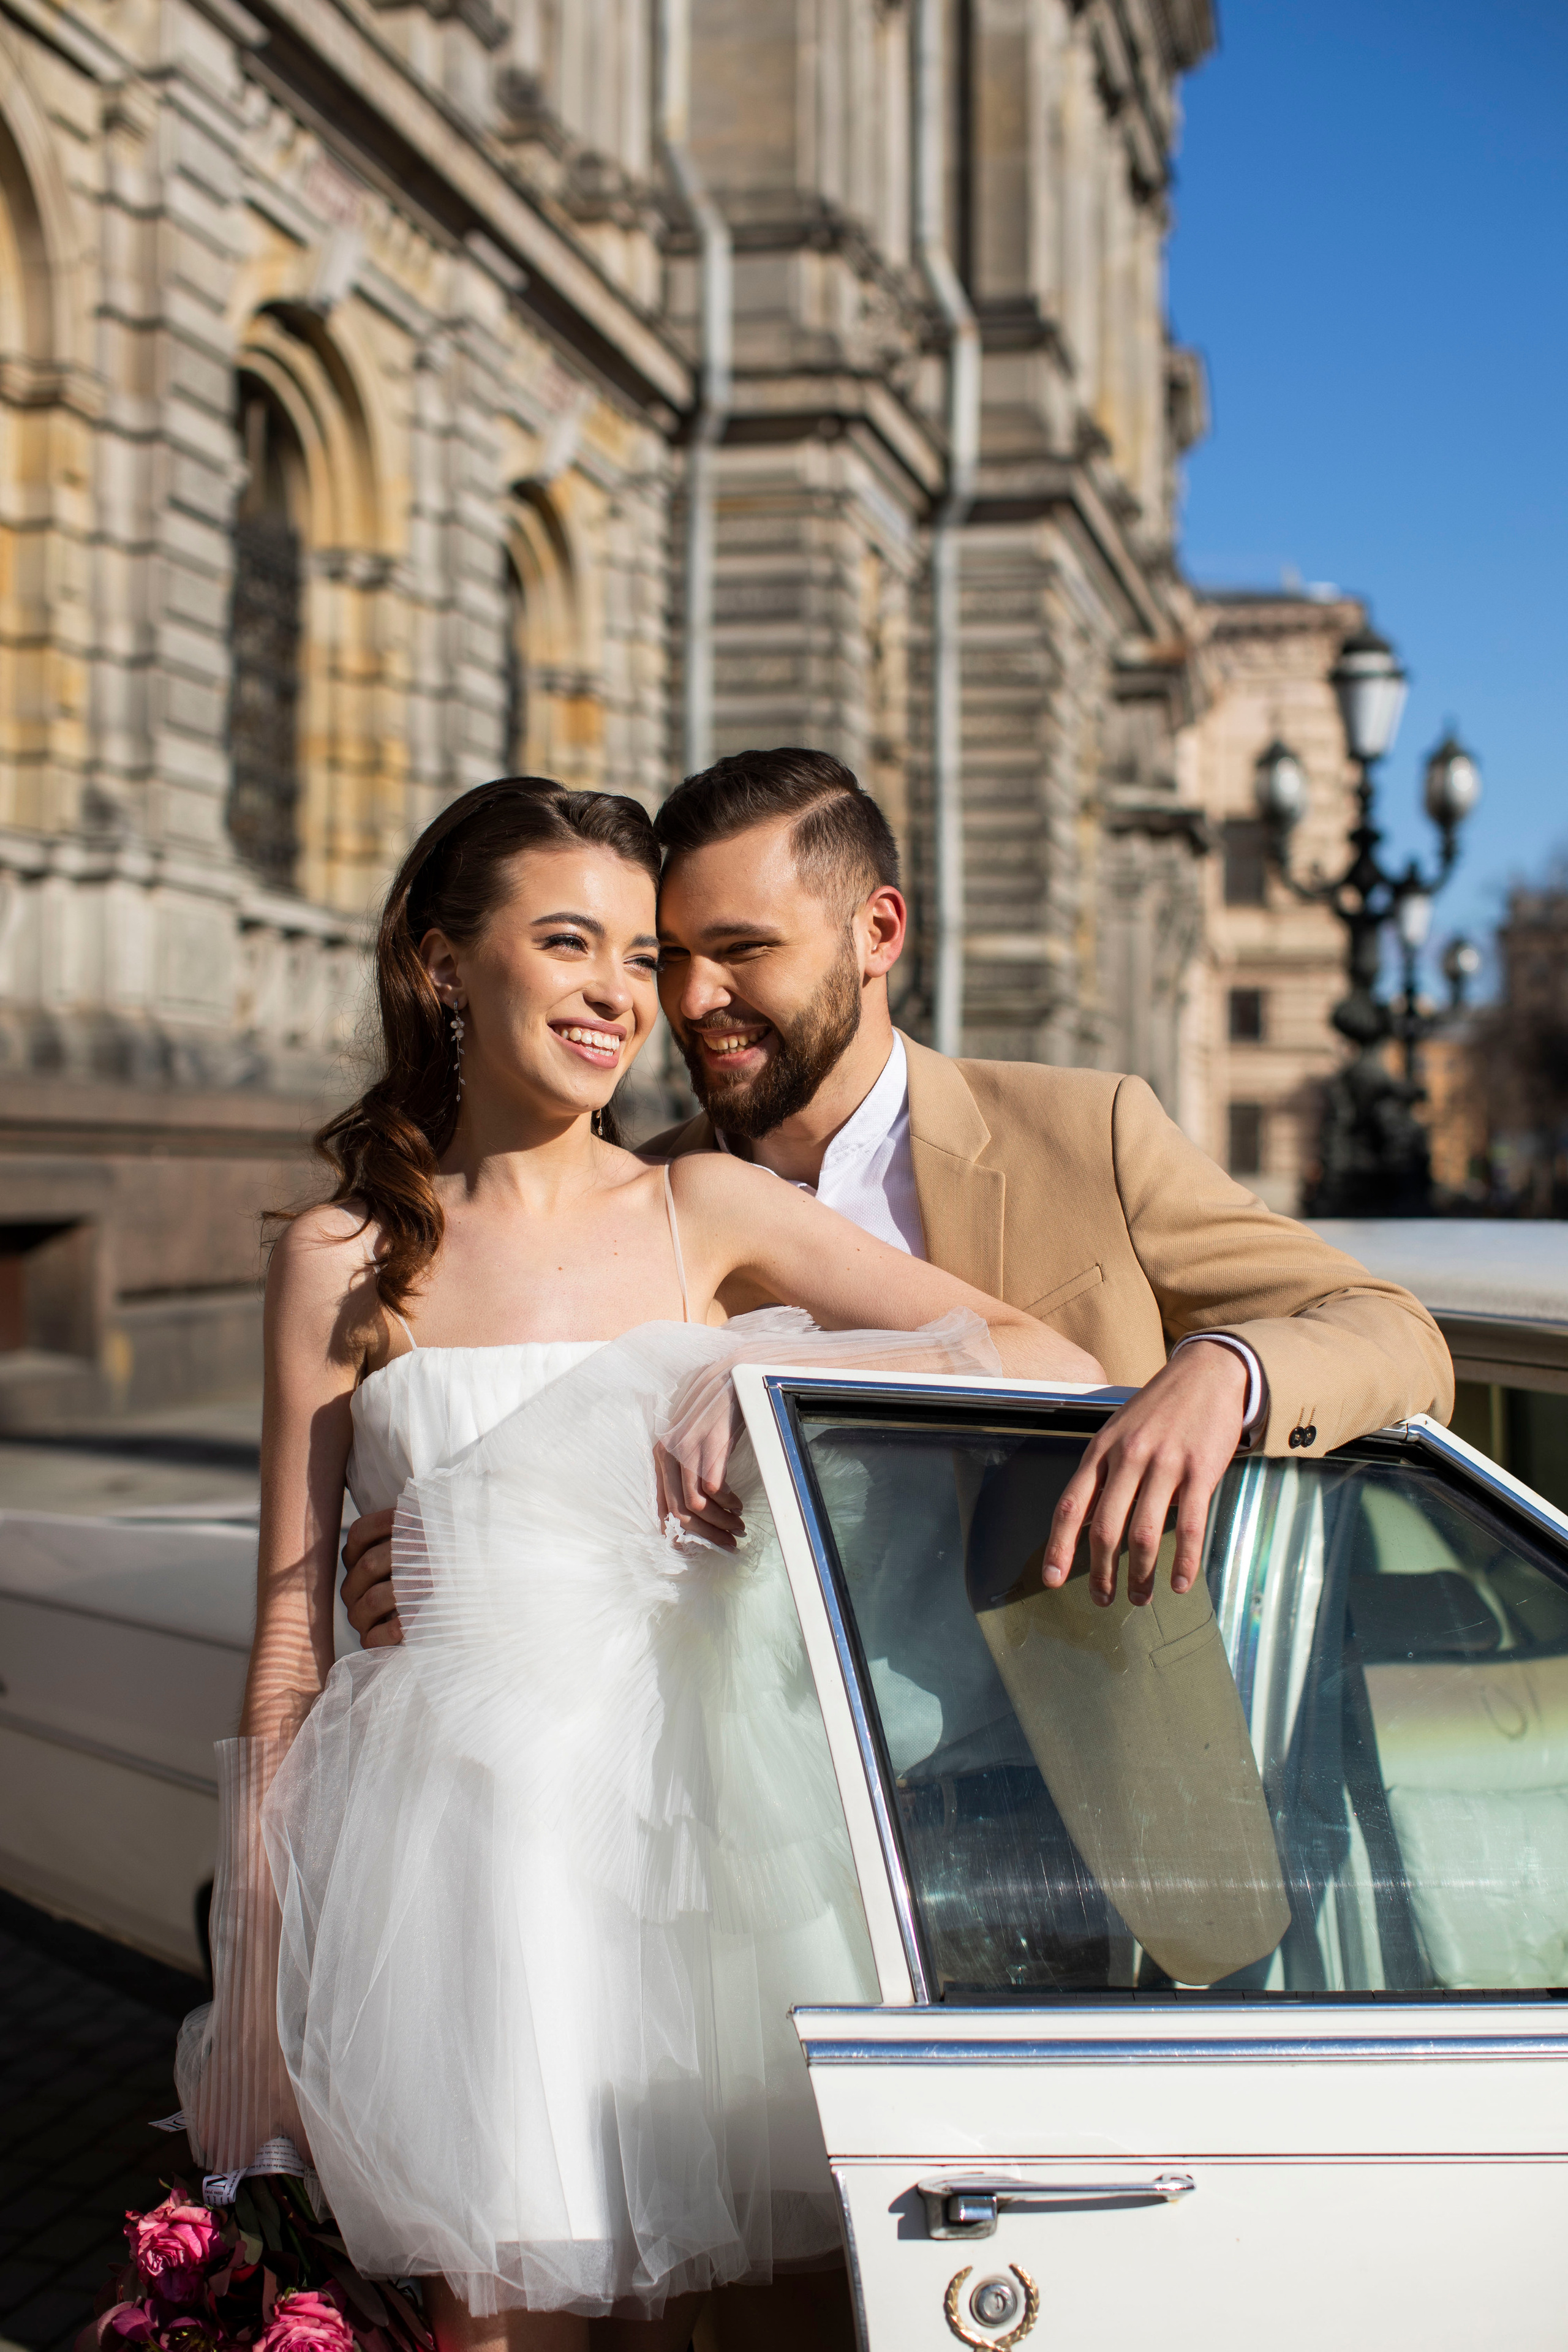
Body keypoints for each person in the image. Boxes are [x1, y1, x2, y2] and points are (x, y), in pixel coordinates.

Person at [180, 776, 1105, 2352]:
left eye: (636, 956)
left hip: (706, 1872)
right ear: (439, 962)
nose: (621, 995)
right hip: (458, 1883)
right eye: (568, 943)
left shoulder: (704, 1203)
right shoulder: (342, 1256)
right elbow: (287, 1628)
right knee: (497, 2325)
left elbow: (1040, 1357)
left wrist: (769, 1382)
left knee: (787, 2316)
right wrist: (262, 1995)